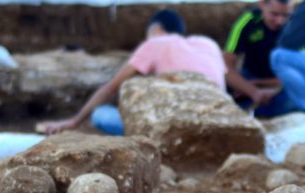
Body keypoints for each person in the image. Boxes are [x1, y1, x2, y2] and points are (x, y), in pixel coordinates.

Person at [39, 9, 226, 135]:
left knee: (101, 114)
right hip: (219, 122)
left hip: (175, 128)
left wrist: (73, 121)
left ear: (157, 29)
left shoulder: (156, 42)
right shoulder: (208, 44)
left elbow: (111, 88)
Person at [223, 0, 297, 117]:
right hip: (250, 79)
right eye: (274, 14)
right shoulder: (248, 20)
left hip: (284, 83)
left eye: (285, 16)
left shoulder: (297, 24)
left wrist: (262, 85)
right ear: (262, 4)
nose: (280, 21)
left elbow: (303, 73)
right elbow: (225, 66)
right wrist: (253, 91)